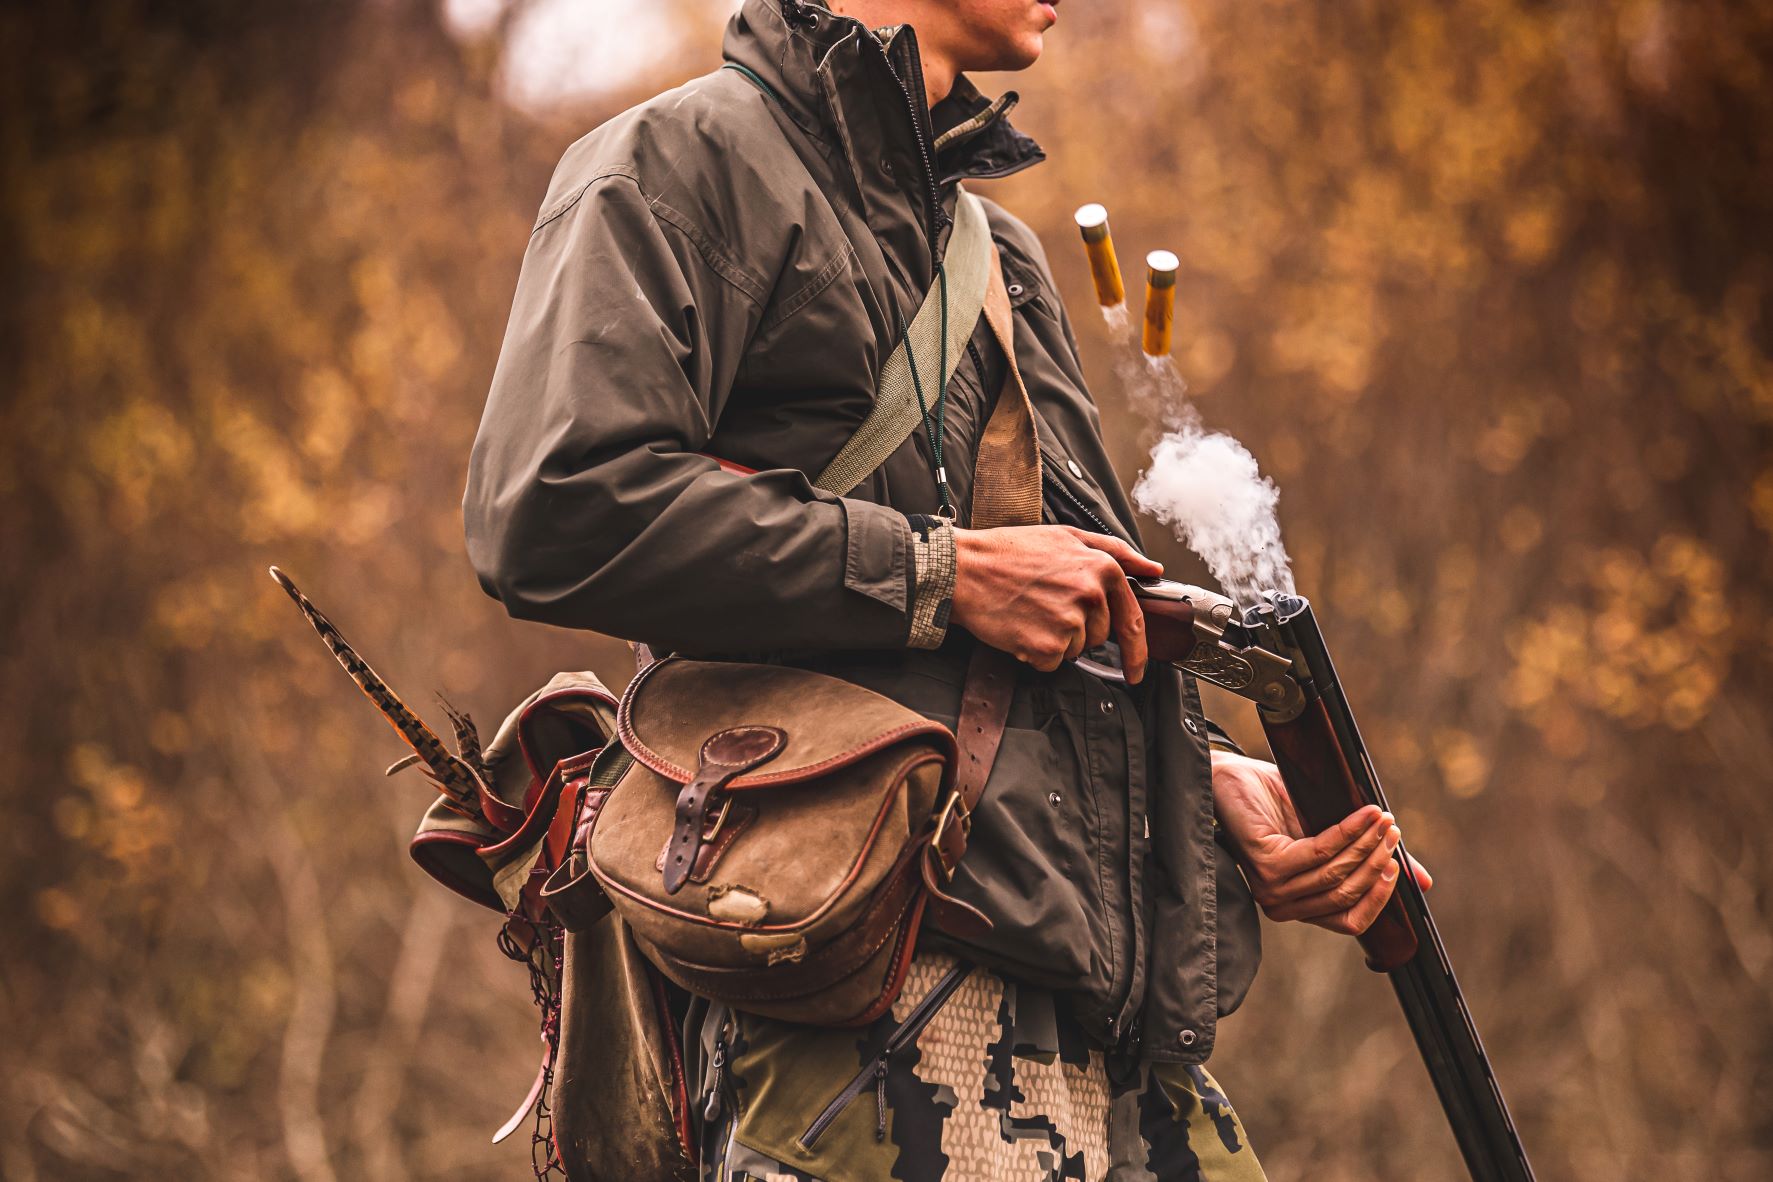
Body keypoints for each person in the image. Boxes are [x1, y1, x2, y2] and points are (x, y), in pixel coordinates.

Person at [464, 1, 1428, 1178]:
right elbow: (551, 505)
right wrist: (936, 574)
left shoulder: (1002, 259)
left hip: (1104, 1040)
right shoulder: (679, 164)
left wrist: (1204, 785)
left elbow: (1056, 623)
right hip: (869, 1015)